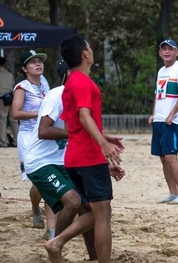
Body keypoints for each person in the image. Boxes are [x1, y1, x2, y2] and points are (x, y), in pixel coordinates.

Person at [23, 58, 125, 261]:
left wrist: (104, 148)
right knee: (73, 201)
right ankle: (56, 243)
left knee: (90, 207)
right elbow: (44, 131)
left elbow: (82, 133)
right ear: (70, 73)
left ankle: (93, 256)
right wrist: (98, 142)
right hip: (40, 161)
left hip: (64, 161)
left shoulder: (79, 93)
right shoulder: (57, 94)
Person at [56, 34, 124, 263]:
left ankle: (59, 242)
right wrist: (103, 144)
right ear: (85, 54)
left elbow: (72, 125)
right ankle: (57, 242)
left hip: (73, 157)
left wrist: (105, 137)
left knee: (93, 212)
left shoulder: (69, 83)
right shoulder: (84, 82)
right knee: (103, 215)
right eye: (89, 48)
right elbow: (84, 116)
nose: (91, 50)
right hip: (88, 156)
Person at [11, 50, 55, 237]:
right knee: (38, 181)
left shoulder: (44, 83)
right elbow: (16, 113)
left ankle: (51, 229)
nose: (38, 64)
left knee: (49, 177)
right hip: (29, 136)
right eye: (32, 62)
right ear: (24, 68)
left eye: (40, 61)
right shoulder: (22, 87)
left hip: (44, 135)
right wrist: (41, 115)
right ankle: (35, 207)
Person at [148, 39, 178, 205]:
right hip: (159, 121)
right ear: (160, 53)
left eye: (170, 49)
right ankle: (172, 192)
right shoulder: (161, 71)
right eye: (164, 49)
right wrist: (153, 114)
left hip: (172, 122)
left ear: (176, 52)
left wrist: (172, 114)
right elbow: (157, 95)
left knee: (171, 157)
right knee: (163, 158)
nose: (167, 52)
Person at [0, 56, 18, 147]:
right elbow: (13, 87)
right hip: (11, 99)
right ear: (4, 64)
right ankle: (17, 141)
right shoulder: (10, 75)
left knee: (2, 121)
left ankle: (4, 142)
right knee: (14, 121)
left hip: (1, 99)